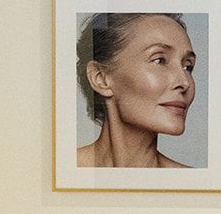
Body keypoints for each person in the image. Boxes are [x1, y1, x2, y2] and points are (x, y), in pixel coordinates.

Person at [77, 11, 197, 168]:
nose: (185, 82)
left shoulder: (195, 183)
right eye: (160, 60)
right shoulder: (53, 170)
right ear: (101, 78)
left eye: (188, 66)